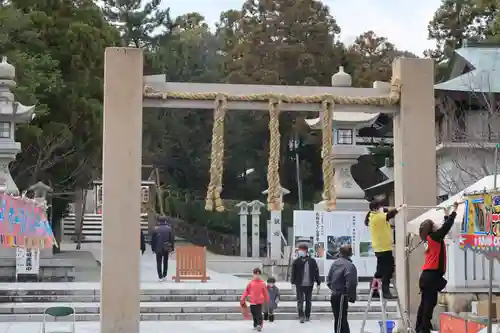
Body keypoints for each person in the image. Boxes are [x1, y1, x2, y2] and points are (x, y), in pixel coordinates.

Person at [415, 201, 458, 333]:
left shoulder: (429, 239)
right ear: (431, 229)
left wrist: (446, 215)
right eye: (434, 225)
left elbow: (443, 231)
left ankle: (420, 326)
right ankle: (424, 328)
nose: (436, 226)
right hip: (431, 275)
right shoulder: (434, 237)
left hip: (426, 275)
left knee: (424, 303)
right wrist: (454, 212)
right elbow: (445, 228)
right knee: (430, 303)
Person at [364, 199, 405, 299]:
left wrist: (396, 207)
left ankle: (374, 289)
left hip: (380, 247)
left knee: (380, 270)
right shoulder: (378, 217)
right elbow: (390, 214)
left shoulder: (371, 215)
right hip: (384, 248)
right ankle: (386, 292)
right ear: (375, 208)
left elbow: (387, 210)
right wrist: (401, 208)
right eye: (379, 207)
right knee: (388, 270)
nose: (381, 208)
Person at [327, 244, 358, 333]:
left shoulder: (335, 263)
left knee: (339, 318)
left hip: (334, 294)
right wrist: (351, 296)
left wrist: (334, 289)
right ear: (350, 253)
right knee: (340, 319)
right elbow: (351, 283)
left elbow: (329, 280)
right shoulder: (349, 266)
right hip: (342, 295)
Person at [291, 242, 321, 323]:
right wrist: (292, 283)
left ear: (306, 251)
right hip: (299, 284)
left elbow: (316, 272)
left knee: (308, 301)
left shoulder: (312, 261)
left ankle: (307, 315)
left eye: (301, 250)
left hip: (309, 284)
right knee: (300, 301)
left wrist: (318, 283)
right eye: (299, 250)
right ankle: (301, 316)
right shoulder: (296, 261)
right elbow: (293, 273)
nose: (299, 251)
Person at [151, 216, 175, 282]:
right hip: (166, 248)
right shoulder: (169, 229)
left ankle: (160, 277)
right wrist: (172, 248)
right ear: (165, 221)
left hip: (158, 248)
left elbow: (153, 240)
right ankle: (164, 275)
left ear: (159, 221)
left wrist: (153, 249)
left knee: (159, 262)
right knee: (165, 262)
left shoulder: (156, 229)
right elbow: (172, 239)